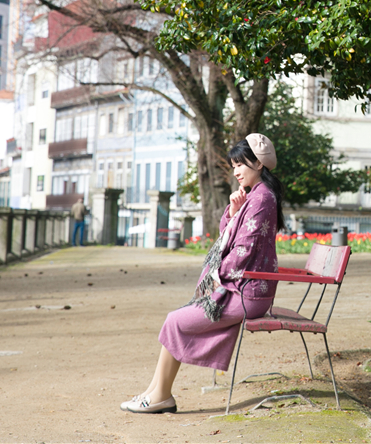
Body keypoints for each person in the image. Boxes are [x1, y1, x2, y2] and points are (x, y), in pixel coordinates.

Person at [121, 134, 283, 414]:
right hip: (245, 287)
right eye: (233, 165)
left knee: (176, 320)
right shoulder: (253, 196)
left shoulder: (262, 199)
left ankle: (160, 395)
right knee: (177, 319)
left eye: (240, 164)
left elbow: (243, 251)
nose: (235, 171)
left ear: (258, 163)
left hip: (249, 291)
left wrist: (214, 278)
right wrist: (233, 211)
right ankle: (155, 392)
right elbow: (228, 236)